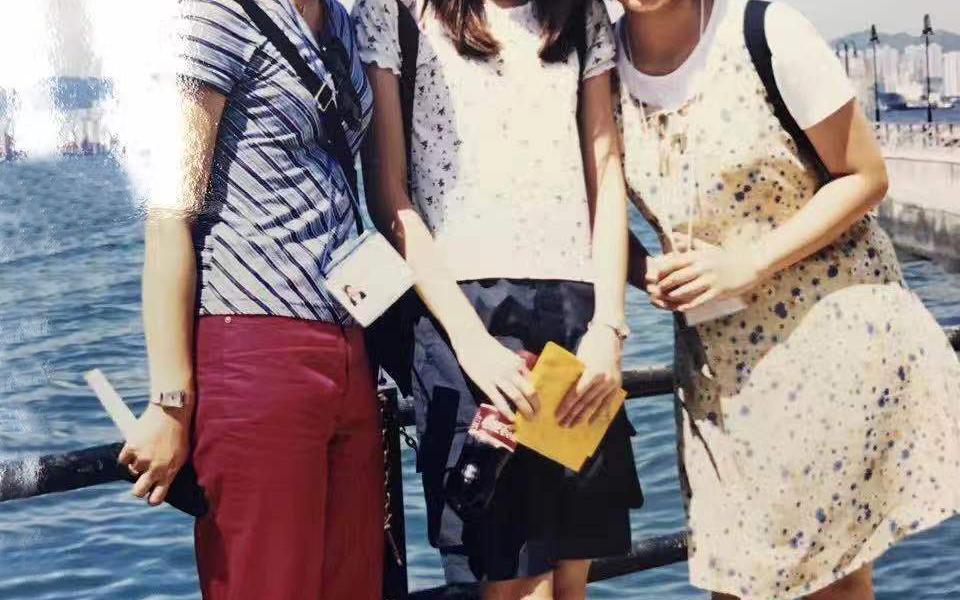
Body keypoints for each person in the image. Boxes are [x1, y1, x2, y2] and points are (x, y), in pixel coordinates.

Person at [615, 0, 960, 598]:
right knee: (735, 579)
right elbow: (583, 201)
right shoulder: (601, 63)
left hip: (827, 344)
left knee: (830, 584)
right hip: (719, 375)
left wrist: (747, 262)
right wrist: (643, 270)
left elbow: (865, 175)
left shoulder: (765, 31)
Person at [354, 0, 644, 597]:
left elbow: (606, 170)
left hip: (574, 316)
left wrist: (609, 328)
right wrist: (470, 342)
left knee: (571, 577)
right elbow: (389, 195)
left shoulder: (578, 12)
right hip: (466, 314)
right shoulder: (394, 11)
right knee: (513, 582)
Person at [116, 0, 382, 598]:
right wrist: (171, 402)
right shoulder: (213, 16)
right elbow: (168, 218)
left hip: (346, 342)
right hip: (254, 344)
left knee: (355, 583)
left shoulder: (339, 20)